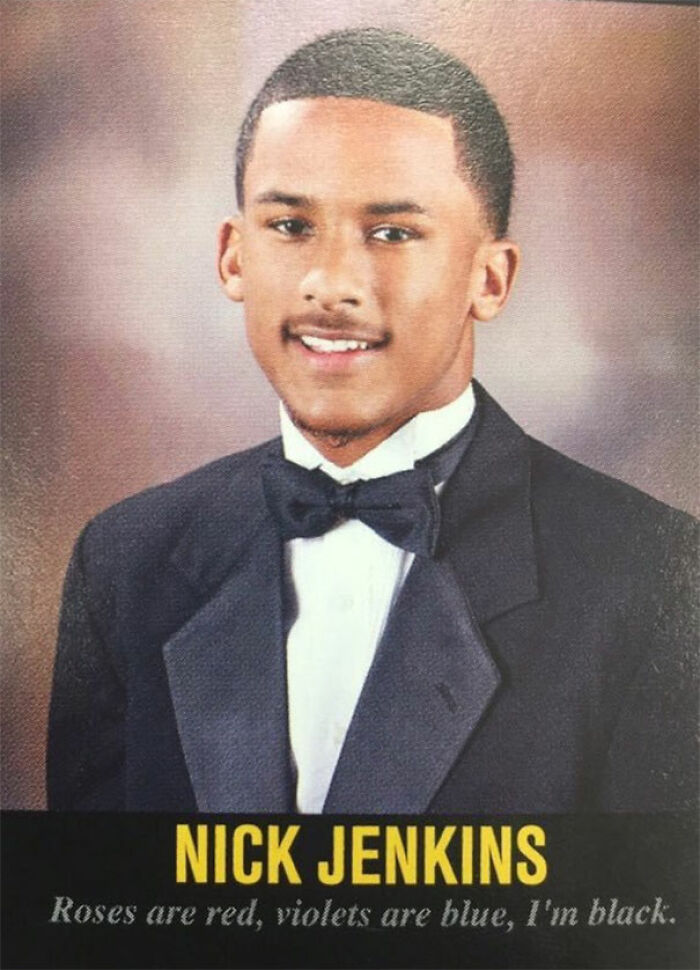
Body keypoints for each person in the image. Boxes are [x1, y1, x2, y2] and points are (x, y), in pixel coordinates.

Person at [47, 28, 697, 814]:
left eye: (393, 233)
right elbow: (98, 917)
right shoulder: (123, 565)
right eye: (290, 226)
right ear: (232, 256)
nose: (331, 283)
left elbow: (631, 927)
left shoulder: (652, 576)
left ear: (488, 280)